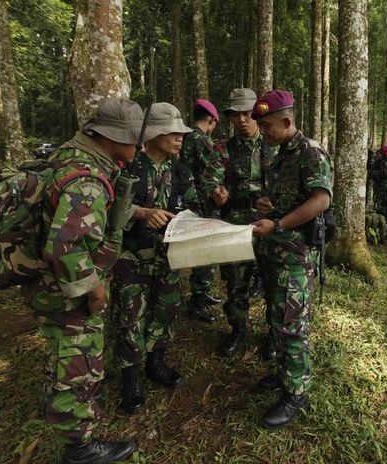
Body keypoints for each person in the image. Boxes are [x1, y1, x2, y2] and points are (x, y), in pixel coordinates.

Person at [22, 98, 142, 464]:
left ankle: (68, 405)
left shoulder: (71, 157)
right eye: (135, 138)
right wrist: (95, 287)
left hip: (47, 284)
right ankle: (81, 448)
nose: (139, 146)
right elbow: (65, 247)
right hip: (65, 288)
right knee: (78, 361)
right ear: (115, 136)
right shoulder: (87, 179)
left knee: (64, 357)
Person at [250, 90, 332, 428]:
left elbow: (320, 201)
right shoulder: (279, 155)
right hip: (276, 252)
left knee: (292, 324)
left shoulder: (311, 152)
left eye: (267, 125)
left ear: (286, 121)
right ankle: (284, 374)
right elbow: (284, 197)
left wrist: (279, 224)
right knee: (276, 317)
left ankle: (297, 392)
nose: (263, 131)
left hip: (296, 254)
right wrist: (268, 206)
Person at [111, 103, 199, 415]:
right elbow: (109, 206)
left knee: (167, 307)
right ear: (154, 133)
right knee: (131, 314)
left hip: (167, 255)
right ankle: (131, 376)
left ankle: (155, 361)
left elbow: (192, 204)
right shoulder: (129, 165)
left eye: (182, 134)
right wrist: (142, 213)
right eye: (174, 133)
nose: (180, 139)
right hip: (131, 255)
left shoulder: (180, 169)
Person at [200, 88, 275, 358]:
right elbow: (210, 177)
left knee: (273, 281)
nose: (242, 120)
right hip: (235, 223)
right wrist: (215, 190)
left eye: (246, 114)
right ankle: (238, 328)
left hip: (268, 225)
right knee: (235, 281)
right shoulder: (225, 148)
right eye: (235, 115)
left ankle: (274, 335)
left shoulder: (273, 144)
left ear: (256, 114)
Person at [179, 99, 223, 322]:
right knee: (207, 250)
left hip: (188, 202)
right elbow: (213, 171)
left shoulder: (184, 136)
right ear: (211, 120)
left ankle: (201, 292)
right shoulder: (201, 141)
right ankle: (197, 300)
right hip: (202, 203)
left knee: (202, 249)